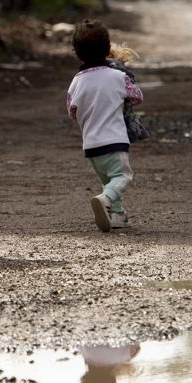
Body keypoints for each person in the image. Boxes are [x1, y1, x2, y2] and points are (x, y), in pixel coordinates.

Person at [66, 20, 143, 232]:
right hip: (114, 141)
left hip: (91, 146)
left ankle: (118, 215)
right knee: (122, 177)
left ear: (77, 53)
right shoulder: (119, 77)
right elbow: (137, 97)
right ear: (108, 49)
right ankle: (106, 199)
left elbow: (72, 111)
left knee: (109, 179)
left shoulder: (76, 81)